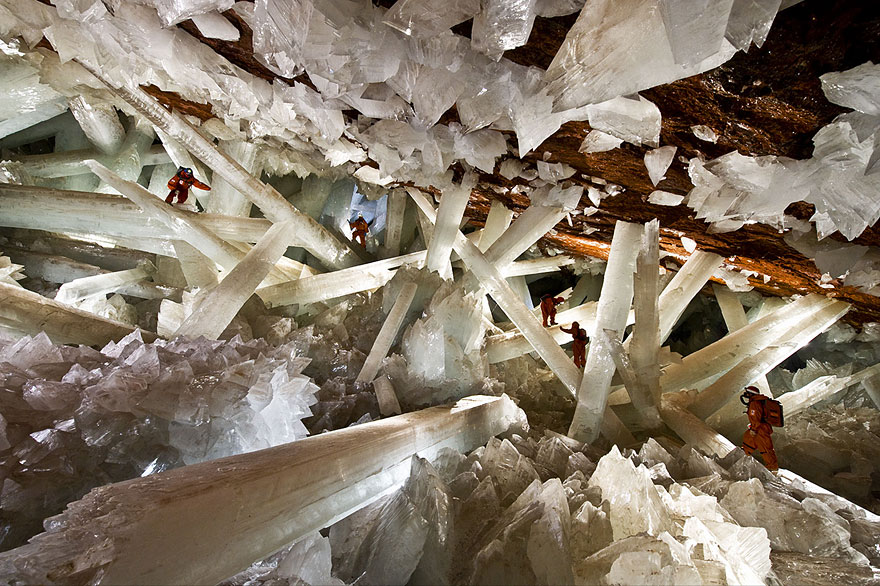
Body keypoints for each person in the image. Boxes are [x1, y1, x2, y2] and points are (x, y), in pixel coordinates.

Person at [740, 386, 779, 473]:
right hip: (758, 428)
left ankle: (772, 467)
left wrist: (753, 428)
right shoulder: (757, 402)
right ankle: (741, 458)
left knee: (765, 448)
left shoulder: (755, 403)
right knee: (748, 441)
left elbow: (755, 417)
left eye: (747, 392)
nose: (745, 394)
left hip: (760, 429)